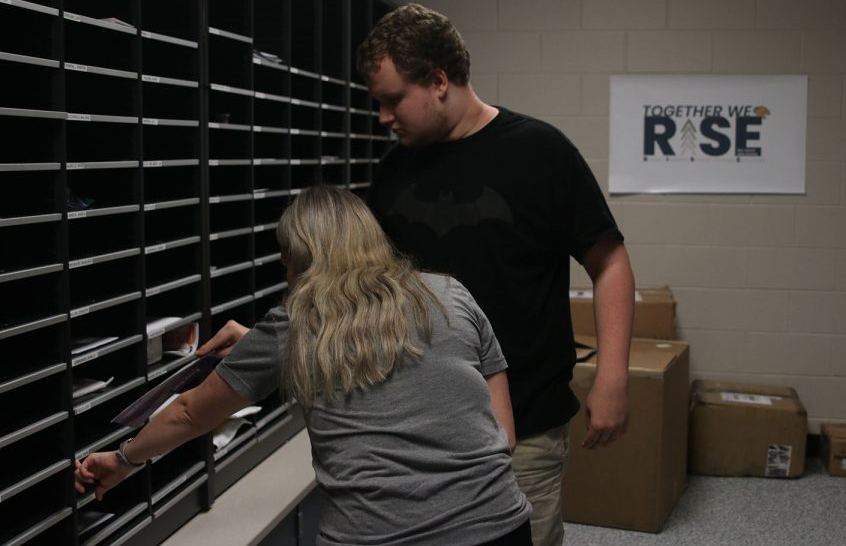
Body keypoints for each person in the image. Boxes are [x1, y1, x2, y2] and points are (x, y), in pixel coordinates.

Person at [75, 186, 533, 546]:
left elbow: (190, 412)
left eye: (287, 266)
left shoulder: (294, 324)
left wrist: (122, 460)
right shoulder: (448, 293)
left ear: (299, 262)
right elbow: (503, 437)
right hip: (500, 526)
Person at [357, 3, 635, 546]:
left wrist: (613, 377)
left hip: (523, 425)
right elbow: (370, 283)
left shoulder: (539, 151)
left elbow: (611, 262)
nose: (383, 118)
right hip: (416, 424)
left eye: (393, 100)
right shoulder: (394, 169)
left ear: (438, 81)